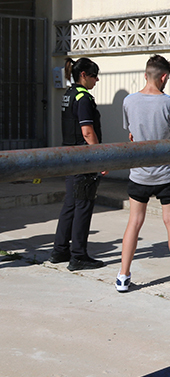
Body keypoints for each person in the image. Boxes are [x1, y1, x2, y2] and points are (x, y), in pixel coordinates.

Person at [116, 55, 170, 292]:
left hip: (139, 173)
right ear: (164, 77)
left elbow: (130, 134)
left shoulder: (128, 101)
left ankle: (123, 276)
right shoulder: (169, 103)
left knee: (134, 223)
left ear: (145, 74)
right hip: (166, 173)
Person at [49, 57, 106, 271]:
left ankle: (60, 250)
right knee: (83, 206)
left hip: (70, 156)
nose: (97, 80)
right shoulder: (83, 98)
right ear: (84, 75)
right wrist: (100, 157)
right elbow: (87, 131)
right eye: (94, 76)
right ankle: (79, 255)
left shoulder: (69, 94)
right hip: (84, 158)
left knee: (71, 205)